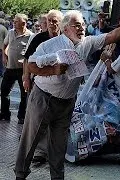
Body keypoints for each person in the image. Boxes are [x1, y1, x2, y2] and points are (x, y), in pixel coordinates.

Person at [14, 10, 120, 180]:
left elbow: (112, 35)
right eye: (77, 25)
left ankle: (57, 178)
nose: (82, 28)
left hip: (66, 102)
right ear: (66, 29)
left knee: (59, 146)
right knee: (30, 140)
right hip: (43, 98)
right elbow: (33, 66)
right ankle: (20, 175)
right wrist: (54, 70)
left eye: (83, 25)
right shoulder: (50, 45)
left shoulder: (87, 43)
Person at [23, 9, 63, 165]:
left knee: (54, 119)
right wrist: (26, 77)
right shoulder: (39, 38)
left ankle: (49, 150)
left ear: (61, 23)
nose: (51, 24)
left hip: (59, 87)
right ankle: (38, 150)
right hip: (39, 84)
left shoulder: (66, 39)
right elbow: (27, 59)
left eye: (55, 21)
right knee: (36, 116)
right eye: (49, 21)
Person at [0, 13, 32, 124]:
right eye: (14, 21)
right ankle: (5, 114)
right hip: (9, 68)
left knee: (24, 94)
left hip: (22, 69)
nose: (14, 22)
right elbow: (4, 44)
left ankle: (21, 116)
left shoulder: (30, 36)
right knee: (4, 91)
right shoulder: (10, 32)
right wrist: (4, 55)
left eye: (16, 21)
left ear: (23, 23)